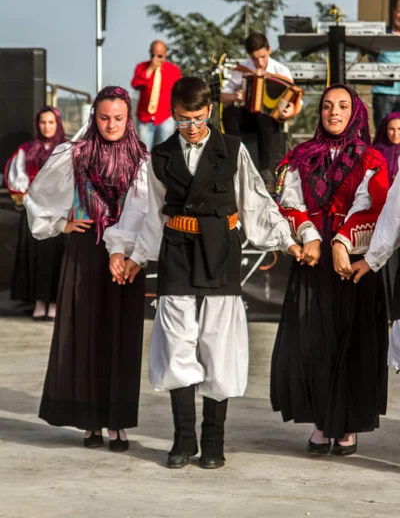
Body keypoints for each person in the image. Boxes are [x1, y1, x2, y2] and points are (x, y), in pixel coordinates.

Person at [112, 76, 301, 469]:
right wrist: (133, 254)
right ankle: (184, 439)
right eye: (182, 119)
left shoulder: (232, 149)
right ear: (172, 114)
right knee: (177, 344)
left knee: (218, 345)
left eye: (197, 118)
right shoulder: (159, 156)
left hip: (221, 250)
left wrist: (288, 241)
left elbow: (255, 202)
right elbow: (149, 214)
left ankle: (214, 440)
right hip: (178, 252)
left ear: (209, 112)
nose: (191, 127)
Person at [24, 86, 148, 451]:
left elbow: (150, 211)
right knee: (85, 335)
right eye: (104, 117)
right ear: (94, 116)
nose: (111, 125)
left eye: (119, 118)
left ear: (129, 118)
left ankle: (117, 423)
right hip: (85, 252)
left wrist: (135, 255)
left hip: (125, 258)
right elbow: (37, 196)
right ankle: (90, 423)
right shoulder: (73, 154)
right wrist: (60, 224)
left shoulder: (143, 158)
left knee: (120, 337)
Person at [271, 84, 389, 457]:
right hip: (312, 258)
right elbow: (287, 202)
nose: (333, 113)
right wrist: (309, 235)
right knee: (314, 342)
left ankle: (348, 424)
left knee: (352, 342)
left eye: (341, 106)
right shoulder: (300, 156)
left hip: (353, 262)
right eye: (326, 106)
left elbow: (373, 206)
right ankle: (322, 422)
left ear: (355, 113)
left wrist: (341, 241)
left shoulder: (373, 159)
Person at [4, 106, 66, 321]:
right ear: (37, 124)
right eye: (43, 122)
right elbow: (16, 176)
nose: (46, 126)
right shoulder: (27, 148)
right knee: (35, 258)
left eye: (51, 122)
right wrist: (28, 198)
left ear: (57, 124)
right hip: (33, 211)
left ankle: (54, 303)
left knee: (54, 258)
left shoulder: (66, 149)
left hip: (57, 213)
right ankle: (39, 302)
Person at [220, 31, 300, 191]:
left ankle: (265, 169)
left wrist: (289, 112)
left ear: (269, 50)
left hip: (269, 121)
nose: (259, 62)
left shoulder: (281, 70)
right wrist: (236, 96)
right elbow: (223, 96)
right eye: (255, 58)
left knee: (264, 116)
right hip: (247, 117)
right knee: (229, 113)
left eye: (262, 57)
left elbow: (296, 100)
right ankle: (234, 159)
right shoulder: (243, 68)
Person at [373, 111, 400, 322]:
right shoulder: (376, 153)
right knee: (384, 267)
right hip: (383, 219)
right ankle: (387, 313)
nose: (395, 133)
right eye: (391, 128)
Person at [131, 39, 181, 150]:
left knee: (167, 150)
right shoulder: (142, 67)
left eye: (159, 56)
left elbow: (179, 94)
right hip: (145, 117)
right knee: (144, 151)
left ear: (165, 54)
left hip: (166, 116)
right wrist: (150, 69)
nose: (155, 58)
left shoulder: (173, 70)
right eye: (153, 55)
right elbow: (135, 84)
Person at [372, 0, 400, 129]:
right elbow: (371, 60)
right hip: (383, 92)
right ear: (394, 12)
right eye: (399, 11)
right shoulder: (381, 34)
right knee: (382, 134)